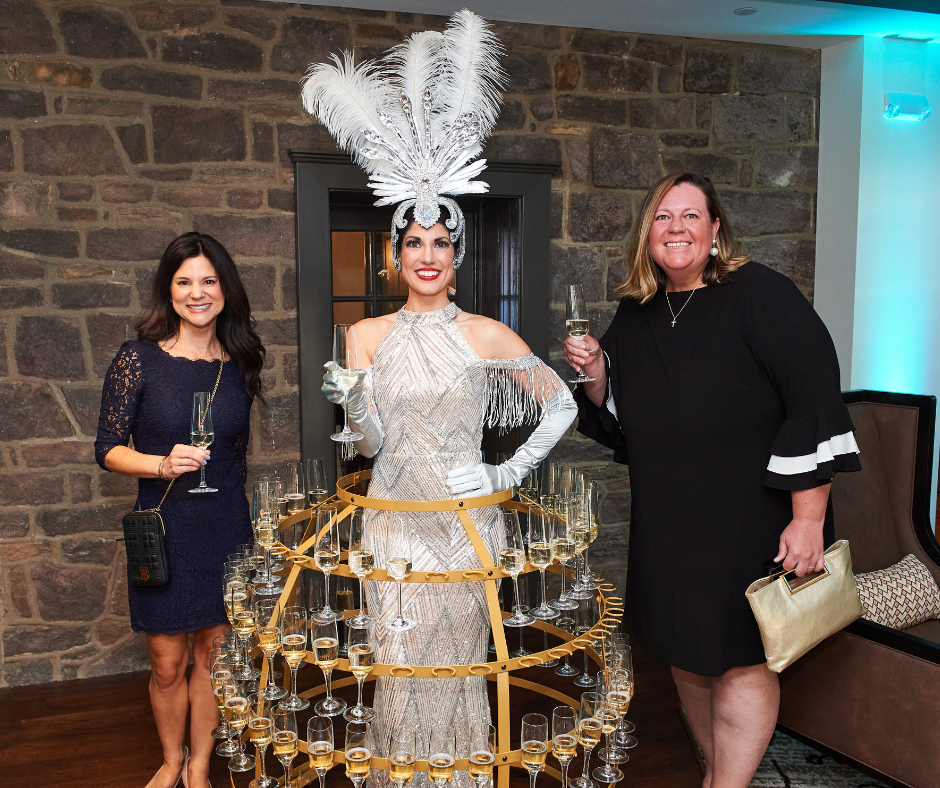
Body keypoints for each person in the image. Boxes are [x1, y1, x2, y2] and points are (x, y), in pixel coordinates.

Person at [306, 12, 576, 785]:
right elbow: (367, 448)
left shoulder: (490, 335)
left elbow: (559, 406)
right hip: (392, 522)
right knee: (397, 670)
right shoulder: (361, 337)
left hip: (465, 525)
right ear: (396, 257)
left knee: (458, 667)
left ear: (457, 255)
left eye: (441, 242)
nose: (427, 255)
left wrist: (504, 475)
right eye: (413, 242)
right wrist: (354, 405)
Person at [564, 172, 861, 788]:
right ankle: (717, 774)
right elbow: (619, 411)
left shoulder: (762, 296)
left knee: (744, 658)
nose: (677, 228)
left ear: (716, 228)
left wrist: (808, 520)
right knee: (687, 656)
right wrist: (595, 371)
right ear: (647, 234)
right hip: (671, 522)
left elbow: (813, 401)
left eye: (691, 216)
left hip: (752, 520)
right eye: (664, 217)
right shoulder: (639, 310)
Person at [95, 232, 265, 788]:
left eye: (209, 281)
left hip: (223, 529)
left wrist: (244, 532)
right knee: (168, 663)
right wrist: (163, 465)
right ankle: (170, 761)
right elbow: (108, 450)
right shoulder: (138, 360)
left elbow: (236, 456)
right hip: (164, 530)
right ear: (168, 291)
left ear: (225, 289)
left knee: (213, 658)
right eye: (185, 281)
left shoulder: (239, 360)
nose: (198, 293)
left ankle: (198, 765)